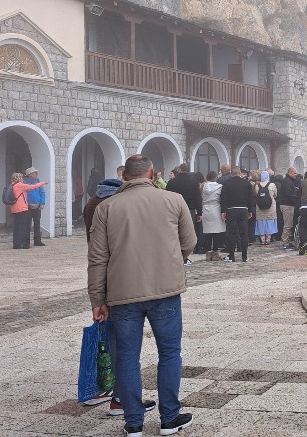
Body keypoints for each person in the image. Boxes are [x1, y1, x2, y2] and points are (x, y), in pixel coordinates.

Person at [87, 154, 195, 437]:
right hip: (165, 289)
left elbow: (97, 257)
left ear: (124, 176)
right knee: (170, 353)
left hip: (122, 293)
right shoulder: (174, 200)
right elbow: (190, 242)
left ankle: (133, 422)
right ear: (152, 173)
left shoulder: (106, 207)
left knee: (127, 357)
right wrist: (171, 260)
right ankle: (169, 417)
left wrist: (97, 299)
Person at [81, 175, 155, 416]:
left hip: (105, 278)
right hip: (122, 279)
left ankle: (107, 389)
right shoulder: (113, 207)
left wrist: (97, 295)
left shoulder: (94, 203)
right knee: (122, 344)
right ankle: (120, 398)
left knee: (111, 338)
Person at [165, 164, 203, 265]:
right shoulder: (194, 183)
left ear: (179, 170)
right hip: (189, 209)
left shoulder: (171, 183)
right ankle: (185, 257)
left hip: (173, 209)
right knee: (187, 234)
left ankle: (174, 255)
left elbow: (166, 197)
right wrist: (199, 212)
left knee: (175, 232)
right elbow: (198, 198)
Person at [220, 166, 255, 263]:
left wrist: (223, 211)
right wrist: (250, 210)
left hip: (231, 210)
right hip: (243, 209)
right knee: (244, 233)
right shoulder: (246, 183)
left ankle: (231, 256)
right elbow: (250, 198)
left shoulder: (227, 183)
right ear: (240, 173)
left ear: (231, 173)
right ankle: (244, 256)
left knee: (232, 233)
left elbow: (223, 198)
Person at [9, 172, 47, 249]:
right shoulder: (20, 185)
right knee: (23, 226)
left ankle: (16, 244)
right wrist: (43, 183)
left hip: (14, 208)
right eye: (21, 178)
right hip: (21, 208)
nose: (22, 179)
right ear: (18, 178)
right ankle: (21, 243)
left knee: (16, 227)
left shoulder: (12, 185)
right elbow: (33, 187)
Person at [201, 171, 226, 261]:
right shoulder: (219, 187)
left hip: (206, 209)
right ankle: (215, 252)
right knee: (216, 232)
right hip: (216, 208)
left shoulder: (203, 186)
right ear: (215, 177)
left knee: (208, 232)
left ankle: (208, 252)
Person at [23, 167, 47, 247]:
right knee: (27, 225)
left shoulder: (38, 181)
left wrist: (42, 203)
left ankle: (37, 241)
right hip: (28, 206)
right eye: (34, 173)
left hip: (37, 205)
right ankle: (26, 242)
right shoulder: (25, 182)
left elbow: (42, 193)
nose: (36, 174)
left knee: (37, 224)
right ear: (29, 174)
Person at [254, 171, 278, 246]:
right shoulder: (272, 185)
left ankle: (262, 240)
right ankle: (268, 240)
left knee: (261, 223)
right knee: (270, 223)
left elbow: (256, 194)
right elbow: (275, 194)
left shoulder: (257, 185)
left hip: (260, 208)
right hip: (270, 208)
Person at [278, 167, 300, 250]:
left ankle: (286, 241)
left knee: (288, 224)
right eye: (295, 173)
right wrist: (296, 199)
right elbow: (289, 194)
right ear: (290, 173)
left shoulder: (288, 181)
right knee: (288, 224)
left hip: (287, 204)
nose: (296, 174)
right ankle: (285, 242)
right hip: (287, 205)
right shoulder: (287, 182)